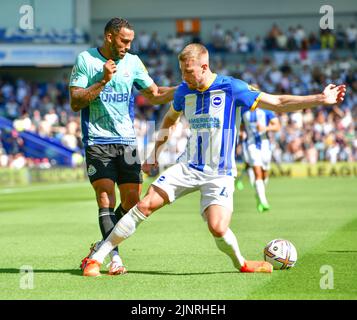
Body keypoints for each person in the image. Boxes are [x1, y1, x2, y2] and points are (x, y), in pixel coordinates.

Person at [81, 43, 346, 277]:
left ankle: (241, 263)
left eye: (188, 71)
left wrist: (320, 99)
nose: (183, 77)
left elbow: (277, 102)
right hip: (187, 166)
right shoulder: (184, 91)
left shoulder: (232, 88)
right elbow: (169, 121)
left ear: (204, 66)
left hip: (219, 173)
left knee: (218, 228)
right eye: (182, 71)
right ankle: (97, 258)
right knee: (145, 204)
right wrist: (154, 154)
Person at [69, 17, 176, 275]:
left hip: (127, 142)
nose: (127, 46)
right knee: (105, 198)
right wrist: (103, 80)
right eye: (123, 40)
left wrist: (186, 88)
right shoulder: (86, 60)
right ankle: (113, 257)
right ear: (109, 37)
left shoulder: (133, 62)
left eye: (130, 41)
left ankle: (100, 247)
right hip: (97, 140)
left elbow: (155, 94)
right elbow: (75, 102)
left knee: (132, 202)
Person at [241, 105, 281, 212]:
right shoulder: (243, 111)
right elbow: (240, 126)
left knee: (264, 173)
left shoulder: (266, 110)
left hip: (265, 145)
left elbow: (277, 126)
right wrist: (241, 134)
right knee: (257, 173)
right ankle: (263, 201)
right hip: (251, 145)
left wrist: (266, 128)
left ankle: (259, 195)